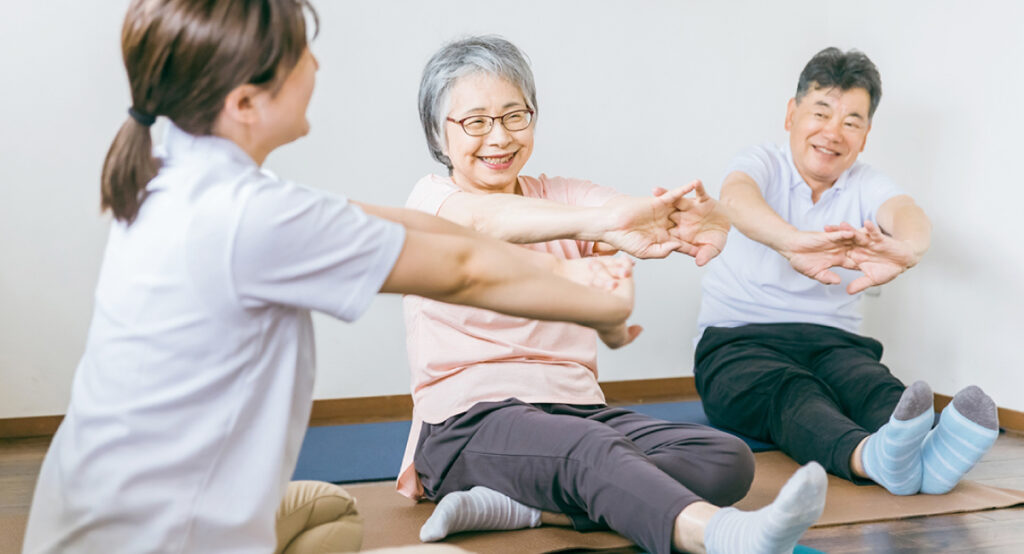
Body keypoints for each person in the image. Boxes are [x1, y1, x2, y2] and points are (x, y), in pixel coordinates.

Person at [21, 3, 643, 553]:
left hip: (87, 509)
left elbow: (424, 227)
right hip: (152, 533)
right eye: (298, 55)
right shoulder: (253, 217)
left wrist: (604, 234)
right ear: (244, 103)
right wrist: (598, 305)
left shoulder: (188, 179)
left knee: (333, 518)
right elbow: (461, 268)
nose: (315, 64)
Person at [396, 35, 829, 554]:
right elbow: (486, 221)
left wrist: (688, 220)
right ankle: (718, 535)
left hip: (576, 410)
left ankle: (529, 509)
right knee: (592, 451)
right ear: (439, 136)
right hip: (468, 423)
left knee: (724, 458)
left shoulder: (559, 195)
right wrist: (605, 222)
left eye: (515, 116)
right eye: (475, 122)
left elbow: (629, 212)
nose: (499, 137)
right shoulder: (433, 201)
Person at [695, 46, 999, 498]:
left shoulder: (865, 183)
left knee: (873, 387)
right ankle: (869, 458)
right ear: (791, 114)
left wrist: (906, 250)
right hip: (738, 343)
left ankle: (933, 461)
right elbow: (736, 199)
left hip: (834, 343)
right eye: (821, 112)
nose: (833, 133)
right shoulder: (760, 163)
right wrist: (791, 241)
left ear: (866, 134)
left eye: (851, 122)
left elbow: (908, 213)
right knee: (794, 392)